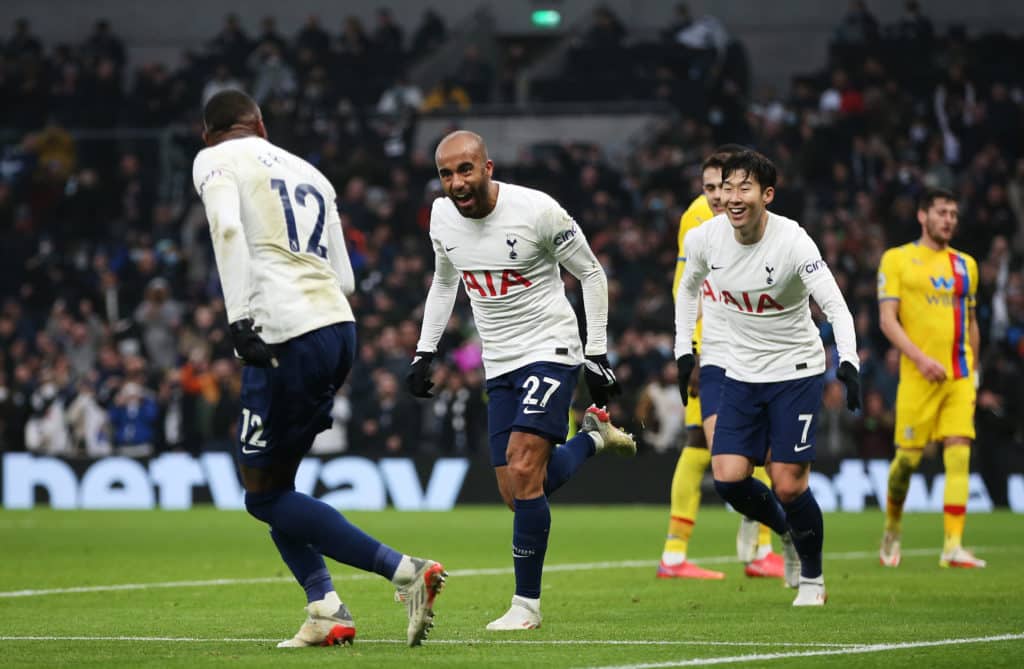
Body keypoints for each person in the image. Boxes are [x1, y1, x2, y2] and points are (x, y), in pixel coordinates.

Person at [192, 89, 446, 649]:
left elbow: (228, 231)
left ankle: (405, 572)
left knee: (262, 496)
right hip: (338, 328)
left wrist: (239, 321)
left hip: (284, 334)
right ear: (260, 123)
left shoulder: (214, 160)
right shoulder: (311, 171)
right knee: (280, 489)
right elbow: (348, 278)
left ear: (206, 133)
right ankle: (326, 608)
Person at [407, 130, 636, 630]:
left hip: (551, 348)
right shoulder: (442, 217)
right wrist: (426, 350)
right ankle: (593, 438)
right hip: (500, 360)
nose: (456, 183)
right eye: (446, 173)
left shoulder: (538, 212)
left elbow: (592, 274)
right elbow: (446, 280)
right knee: (517, 488)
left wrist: (596, 352)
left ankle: (526, 606)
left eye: (465, 170)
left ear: (487, 167)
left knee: (523, 463)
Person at [674, 150, 861, 606]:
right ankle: (786, 531)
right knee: (729, 477)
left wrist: (849, 361)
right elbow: (687, 287)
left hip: (794, 370)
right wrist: (684, 352)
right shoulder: (704, 239)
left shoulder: (793, 242)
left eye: (745, 188)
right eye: (727, 187)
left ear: (767, 194)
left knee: (789, 482)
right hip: (737, 368)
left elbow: (834, 305)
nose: (733, 198)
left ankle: (813, 579)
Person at [659, 147, 784, 581]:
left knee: (705, 446)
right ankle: (755, 543)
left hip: (744, 349)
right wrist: (690, 352)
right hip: (712, 353)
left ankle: (681, 554)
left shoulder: (746, 216)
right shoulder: (698, 220)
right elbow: (687, 290)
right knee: (711, 446)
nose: (717, 195)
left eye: (724, 186)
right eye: (710, 187)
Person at [877, 188, 985, 568]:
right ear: (923, 216)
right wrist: (920, 359)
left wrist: (975, 368)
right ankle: (892, 529)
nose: (949, 220)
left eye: (954, 214)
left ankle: (953, 546)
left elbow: (971, 321)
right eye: (942, 212)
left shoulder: (965, 265)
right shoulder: (898, 260)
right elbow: (887, 320)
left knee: (959, 452)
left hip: (958, 374)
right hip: (918, 376)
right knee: (906, 462)